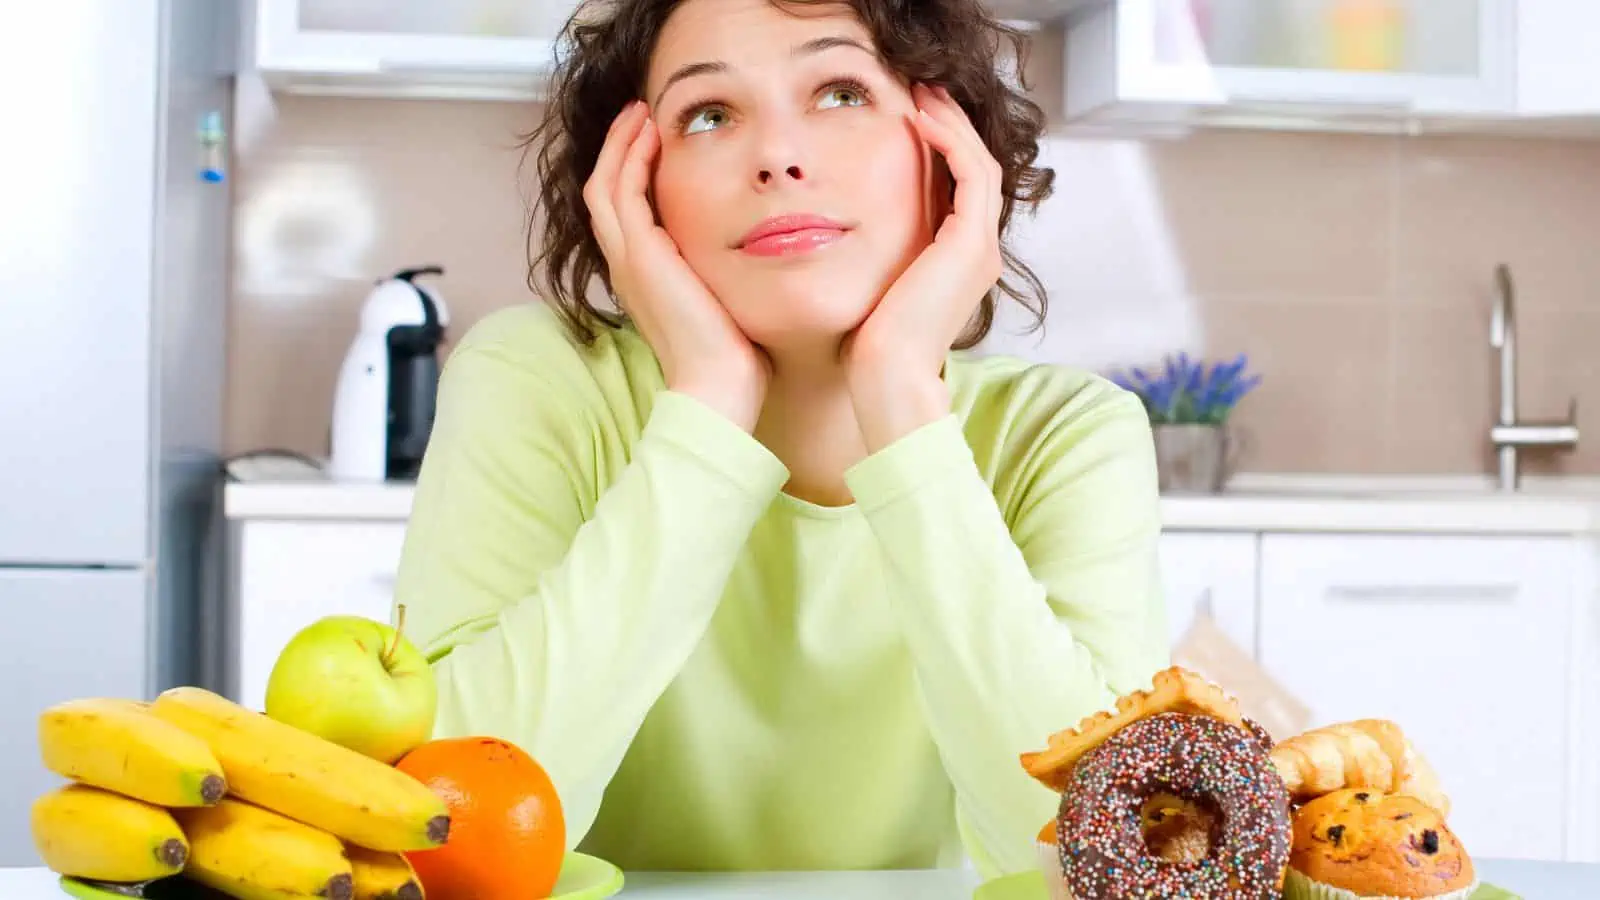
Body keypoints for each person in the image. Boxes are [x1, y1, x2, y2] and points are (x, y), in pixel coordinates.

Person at [391, 0, 1168, 879]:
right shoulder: (537, 382)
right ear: (635, 192)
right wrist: (709, 408)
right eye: (709, 115)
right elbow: (449, 836)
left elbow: (1101, 860)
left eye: (840, 92)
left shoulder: (1064, 437)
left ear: (952, 155)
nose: (777, 157)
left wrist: (903, 406)